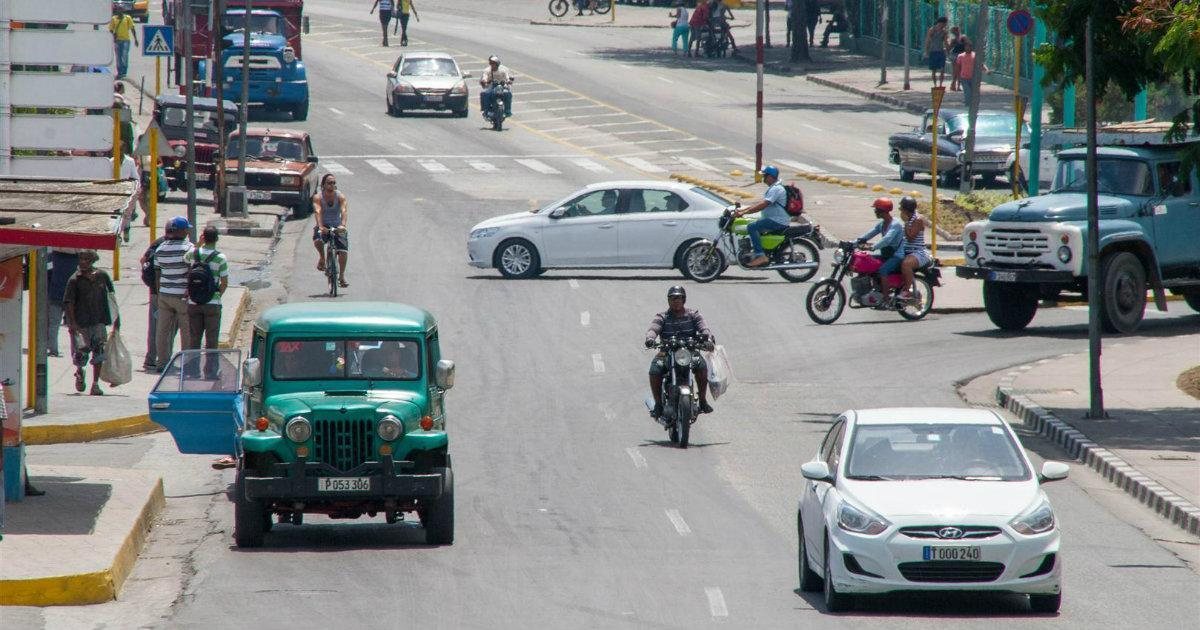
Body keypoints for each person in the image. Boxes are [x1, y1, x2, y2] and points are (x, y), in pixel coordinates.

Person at [644, 286, 714, 418]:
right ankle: (658, 404)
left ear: (684, 299)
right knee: (655, 369)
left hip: (689, 352)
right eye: (672, 298)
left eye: (679, 298)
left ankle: (703, 401)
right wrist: (650, 339)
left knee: (702, 366)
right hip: (667, 351)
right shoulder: (662, 316)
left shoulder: (694, 315)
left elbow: (704, 328)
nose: (676, 301)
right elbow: (653, 329)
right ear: (668, 300)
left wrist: (708, 339)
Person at [63, 250, 120, 396]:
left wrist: (116, 319)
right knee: (80, 354)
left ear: (93, 261)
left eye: (86, 259)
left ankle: (95, 384)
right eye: (81, 259)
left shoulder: (102, 276)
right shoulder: (74, 279)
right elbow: (68, 303)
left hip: (99, 320)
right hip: (81, 323)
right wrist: (73, 323)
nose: (83, 262)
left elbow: (111, 297)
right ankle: (79, 372)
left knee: (99, 352)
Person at [184, 227, 229, 378]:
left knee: (194, 339)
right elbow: (224, 282)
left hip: (193, 302)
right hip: (212, 304)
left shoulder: (193, 254)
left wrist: (198, 244)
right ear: (216, 239)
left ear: (204, 237)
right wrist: (216, 296)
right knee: (211, 340)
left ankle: (192, 371)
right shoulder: (220, 258)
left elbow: (185, 258)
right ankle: (210, 372)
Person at [154, 217, 195, 372]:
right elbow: (191, 271)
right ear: (181, 231)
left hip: (164, 295)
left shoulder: (161, 249)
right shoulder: (188, 248)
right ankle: (187, 363)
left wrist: (160, 294)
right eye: (186, 229)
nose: (187, 231)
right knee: (186, 331)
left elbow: (158, 273)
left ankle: (162, 363)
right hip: (182, 296)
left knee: (162, 331)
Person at [734, 165, 790, 267]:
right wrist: (743, 210)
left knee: (752, 226)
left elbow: (764, 204)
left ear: (770, 176)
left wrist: (744, 212)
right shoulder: (773, 188)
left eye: (765, 176)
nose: (763, 178)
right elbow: (760, 203)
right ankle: (762, 251)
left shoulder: (776, 189)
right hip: (773, 219)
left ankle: (760, 255)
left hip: (777, 220)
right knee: (753, 224)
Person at [855, 198, 906, 298]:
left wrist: (873, 247)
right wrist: (853, 243)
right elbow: (868, 235)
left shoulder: (895, 224)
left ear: (883, 211)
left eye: (876, 209)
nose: (875, 211)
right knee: (867, 262)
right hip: (886, 255)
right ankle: (874, 291)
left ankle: (885, 299)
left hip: (896, 256)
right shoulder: (882, 224)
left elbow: (887, 240)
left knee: (883, 270)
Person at [311, 173, 350, 288]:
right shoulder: (318, 197)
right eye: (329, 183)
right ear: (323, 185)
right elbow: (317, 211)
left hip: (337, 226)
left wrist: (342, 225)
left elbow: (344, 210)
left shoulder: (340, 196)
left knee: (343, 251)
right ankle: (322, 258)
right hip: (324, 225)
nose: (332, 185)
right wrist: (321, 226)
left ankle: (341, 276)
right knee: (318, 240)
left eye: (333, 183)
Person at [46, 250, 80, 357]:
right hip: (72, 298)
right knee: (74, 326)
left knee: (53, 324)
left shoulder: (52, 257)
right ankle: (76, 352)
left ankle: (53, 349)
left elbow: (47, 275)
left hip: (56, 294)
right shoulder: (78, 259)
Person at [897, 196, 931, 300]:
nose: (900, 211)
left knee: (906, 264)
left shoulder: (918, 219)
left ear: (906, 209)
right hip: (906, 251)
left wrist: (906, 222)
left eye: (902, 209)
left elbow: (911, 237)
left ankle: (908, 291)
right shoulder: (908, 220)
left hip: (918, 253)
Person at [956, 38, 990, 108]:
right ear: (964, 47)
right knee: (967, 92)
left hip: (974, 78)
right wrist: (956, 78)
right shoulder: (960, 56)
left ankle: (973, 105)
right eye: (966, 46)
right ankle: (968, 105)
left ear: (971, 47)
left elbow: (981, 64)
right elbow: (958, 67)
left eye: (969, 46)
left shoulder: (975, 55)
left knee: (974, 93)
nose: (968, 48)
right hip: (964, 77)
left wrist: (986, 70)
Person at [108, 9, 139, 79]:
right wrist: (112, 37)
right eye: (118, 11)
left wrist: (135, 39)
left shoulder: (127, 18)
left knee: (124, 56)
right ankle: (120, 72)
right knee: (118, 57)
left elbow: (132, 28)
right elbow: (110, 29)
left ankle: (124, 72)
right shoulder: (114, 19)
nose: (119, 12)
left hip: (126, 40)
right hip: (117, 41)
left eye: (120, 11)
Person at [923, 16, 949, 87]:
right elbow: (927, 40)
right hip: (933, 51)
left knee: (942, 69)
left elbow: (946, 42)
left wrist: (948, 51)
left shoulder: (944, 32)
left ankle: (940, 85)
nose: (945, 25)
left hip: (941, 51)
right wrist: (926, 51)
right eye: (945, 23)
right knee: (933, 70)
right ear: (941, 23)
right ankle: (935, 85)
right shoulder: (932, 30)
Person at [948, 25, 965, 91]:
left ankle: (956, 86)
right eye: (954, 31)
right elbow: (949, 48)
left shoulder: (963, 38)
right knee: (956, 71)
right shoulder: (954, 40)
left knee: (960, 71)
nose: (956, 32)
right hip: (955, 55)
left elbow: (968, 44)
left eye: (957, 30)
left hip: (962, 56)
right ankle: (954, 85)